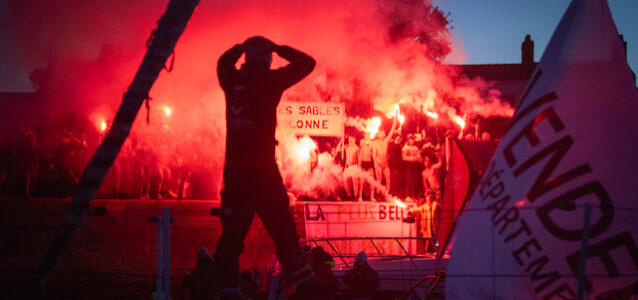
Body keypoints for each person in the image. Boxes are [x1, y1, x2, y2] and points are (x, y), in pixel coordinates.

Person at [214, 36, 320, 299]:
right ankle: (305, 289)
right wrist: (278, 47)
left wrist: (239, 46)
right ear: (268, 60)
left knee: (230, 239)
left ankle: (225, 292)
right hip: (264, 174)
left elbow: (222, 63)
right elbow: (307, 63)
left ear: (246, 59)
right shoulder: (272, 82)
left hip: (237, 175)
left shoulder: (231, 82)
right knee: (285, 236)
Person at [371, 117, 398, 196]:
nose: (382, 134)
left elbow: (392, 131)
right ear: (378, 135)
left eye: (383, 133)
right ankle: (378, 195)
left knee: (388, 180)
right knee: (379, 180)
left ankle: (385, 195)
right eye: (381, 133)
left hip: (386, 164)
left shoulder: (386, 140)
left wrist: (395, 122)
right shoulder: (375, 142)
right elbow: (374, 154)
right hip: (378, 163)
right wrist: (375, 164)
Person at [401, 134, 421, 199]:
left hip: (414, 166)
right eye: (410, 140)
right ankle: (407, 196)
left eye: (412, 140)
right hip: (408, 165)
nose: (411, 141)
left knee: (414, 180)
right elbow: (403, 157)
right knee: (409, 180)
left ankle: (412, 195)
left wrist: (417, 158)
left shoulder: (416, 148)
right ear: (408, 140)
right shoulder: (405, 147)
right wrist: (413, 158)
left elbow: (419, 156)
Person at [343, 136, 360, 200]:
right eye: (349, 139)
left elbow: (359, 158)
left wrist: (359, 166)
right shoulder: (346, 147)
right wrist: (341, 141)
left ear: (355, 140)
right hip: (347, 166)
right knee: (345, 180)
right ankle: (349, 195)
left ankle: (355, 196)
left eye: (352, 139)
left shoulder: (357, 148)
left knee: (355, 181)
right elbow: (338, 149)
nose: (350, 140)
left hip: (354, 166)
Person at [358, 134, 374, 201]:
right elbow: (360, 153)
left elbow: (373, 151)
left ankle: (371, 197)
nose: (367, 136)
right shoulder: (362, 142)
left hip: (369, 163)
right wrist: (359, 163)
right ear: (364, 136)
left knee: (372, 181)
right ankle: (360, 197)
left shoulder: (372, 143)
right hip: (363, 162)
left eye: (368, 135)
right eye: (366, 135)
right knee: (361, 180)